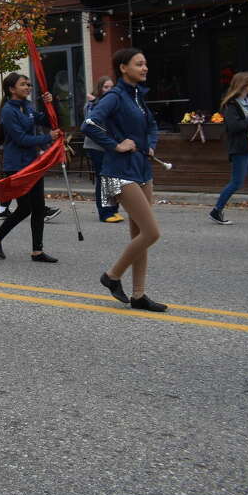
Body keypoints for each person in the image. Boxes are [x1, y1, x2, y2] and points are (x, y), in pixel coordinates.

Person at [83, 47, 166, 312]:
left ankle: (139, 294)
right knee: (152, 233)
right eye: (139, 64)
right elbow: (89, 124)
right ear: (123, 68)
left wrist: (150, 144)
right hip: (117, 172)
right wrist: (115, 145)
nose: (145, 68)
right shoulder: (115, 96)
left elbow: (151, 126)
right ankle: (112, 276)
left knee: (139, 234)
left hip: (141, 169)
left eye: (145, 64)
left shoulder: (138, 97)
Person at [0, 72, 61, 262]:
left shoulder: (26, 106)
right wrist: (47, 138)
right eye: (23, 84)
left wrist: (50, 103)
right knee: (25, 208)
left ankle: (37, 251)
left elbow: (46, 120)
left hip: (33, 163)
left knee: (38, 207)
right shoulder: (8, 112)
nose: (28, 87)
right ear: (12, 89)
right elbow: (21, 139)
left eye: (29, 84)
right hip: (16, 166)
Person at [209, 71, 248, 225]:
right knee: (237, 182)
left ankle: (216, 211)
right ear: (243, 85)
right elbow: (233, 127)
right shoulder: (231, 104)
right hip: (241, 148)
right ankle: (216, 210)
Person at [84, 76, 123, 224]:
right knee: (103, 178)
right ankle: (104, 213)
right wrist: (94, 102)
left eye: (111, 87)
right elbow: (90, 122)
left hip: (110, 145)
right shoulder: (92, 104)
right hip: (96, 146)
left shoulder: (113, 103)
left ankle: (113, 209)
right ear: (100, 89)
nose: (109, 90)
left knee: (113, 178)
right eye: (106, 87)